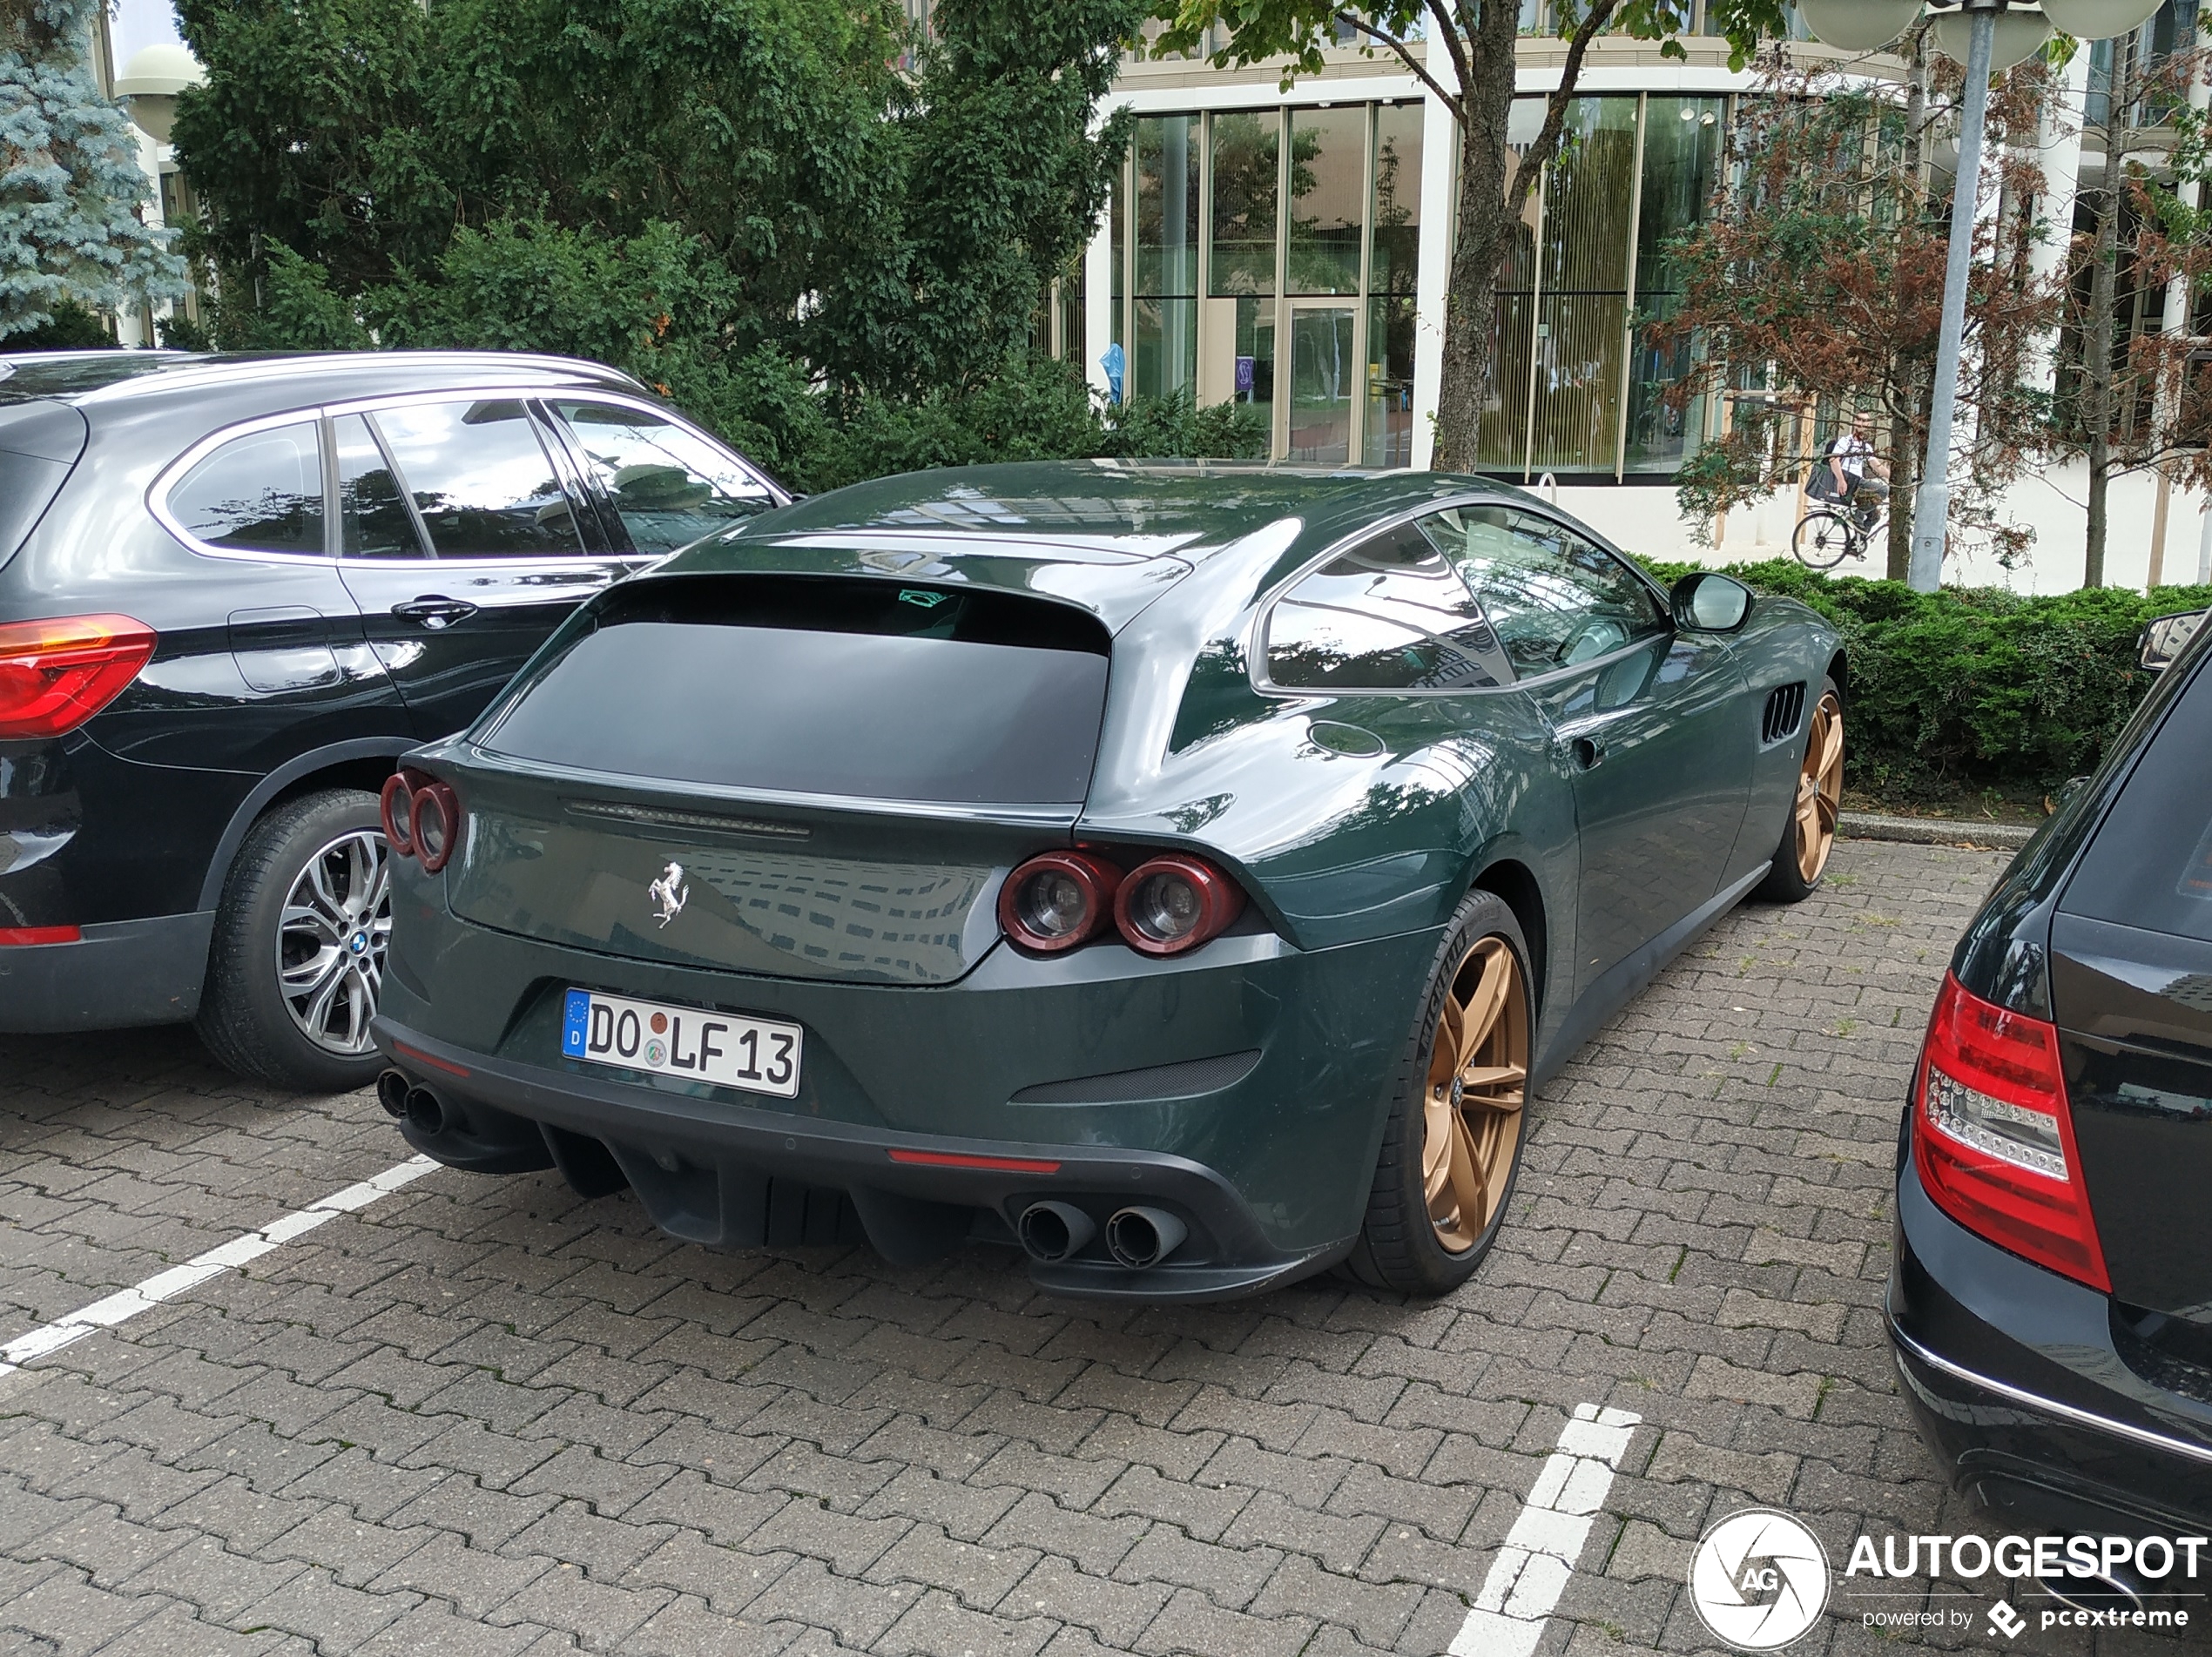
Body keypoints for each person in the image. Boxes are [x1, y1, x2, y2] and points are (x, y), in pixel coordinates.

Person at [1824, 411, 1890, 529]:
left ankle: (1855, 544)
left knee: (1874, 517)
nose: (1861, 423)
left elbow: (1877, 467)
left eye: (1864, 421)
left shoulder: (1866, 447)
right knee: (1884, 490)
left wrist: (1894, 478)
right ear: (1854, 422)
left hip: (1858, 483)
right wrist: (1841, 480)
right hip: (1849, 480)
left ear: (1869, 424)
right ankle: (1856, 515)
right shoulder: (1846, 441)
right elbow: (1833, 460)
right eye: (1858, 420)